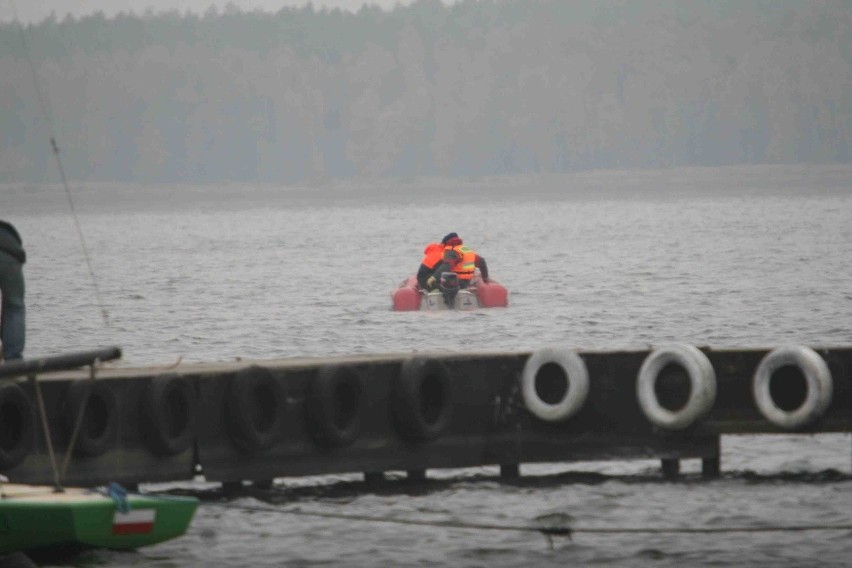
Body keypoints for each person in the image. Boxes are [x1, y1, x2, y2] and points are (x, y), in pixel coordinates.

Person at [0, 220, 26, 361]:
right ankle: (14, 363)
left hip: (10, 248)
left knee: (13, 308)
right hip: (10, 250)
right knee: (14, 307)